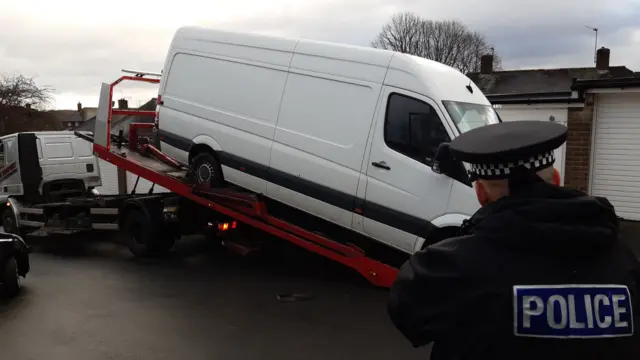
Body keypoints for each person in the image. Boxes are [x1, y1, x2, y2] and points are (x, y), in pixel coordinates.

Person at [387, 120, 640, 359]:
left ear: (481, 193)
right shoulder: (626, 263)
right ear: (556, 181)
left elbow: (407, 313)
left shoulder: (450, 268)